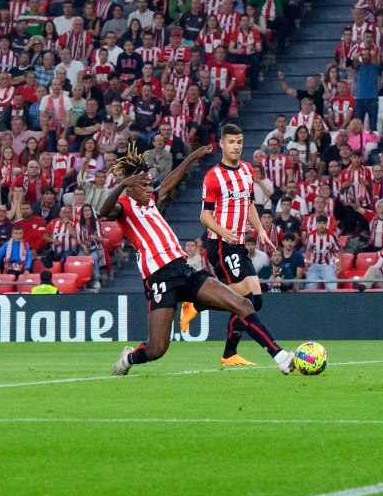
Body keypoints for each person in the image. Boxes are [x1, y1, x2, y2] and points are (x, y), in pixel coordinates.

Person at [104, 143, 291, 376]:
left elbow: (169, 183)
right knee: (156, 349)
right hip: (159, 276)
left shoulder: (150, 200)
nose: (148, 185)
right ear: (131, 186)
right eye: (143, 183)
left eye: (148, 181)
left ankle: (282, 358)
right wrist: (120, 185)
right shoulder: (123, 206)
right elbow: (103, 211)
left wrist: (193, 156)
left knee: (243, 304)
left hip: (183, 268)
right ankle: (129, 357)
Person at [198, 121, 285, 367]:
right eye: (232, 142)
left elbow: (248, 205)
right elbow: (204, 216)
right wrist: (223, 231)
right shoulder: (213, 176)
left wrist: (261, 231)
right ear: (222, 144)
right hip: (221, 244)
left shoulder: (247, 170)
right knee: (245, 301)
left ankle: (229, 354)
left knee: (254, 302)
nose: (236, 147)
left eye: (240, 142)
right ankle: (198, 303)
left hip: (237, 244)